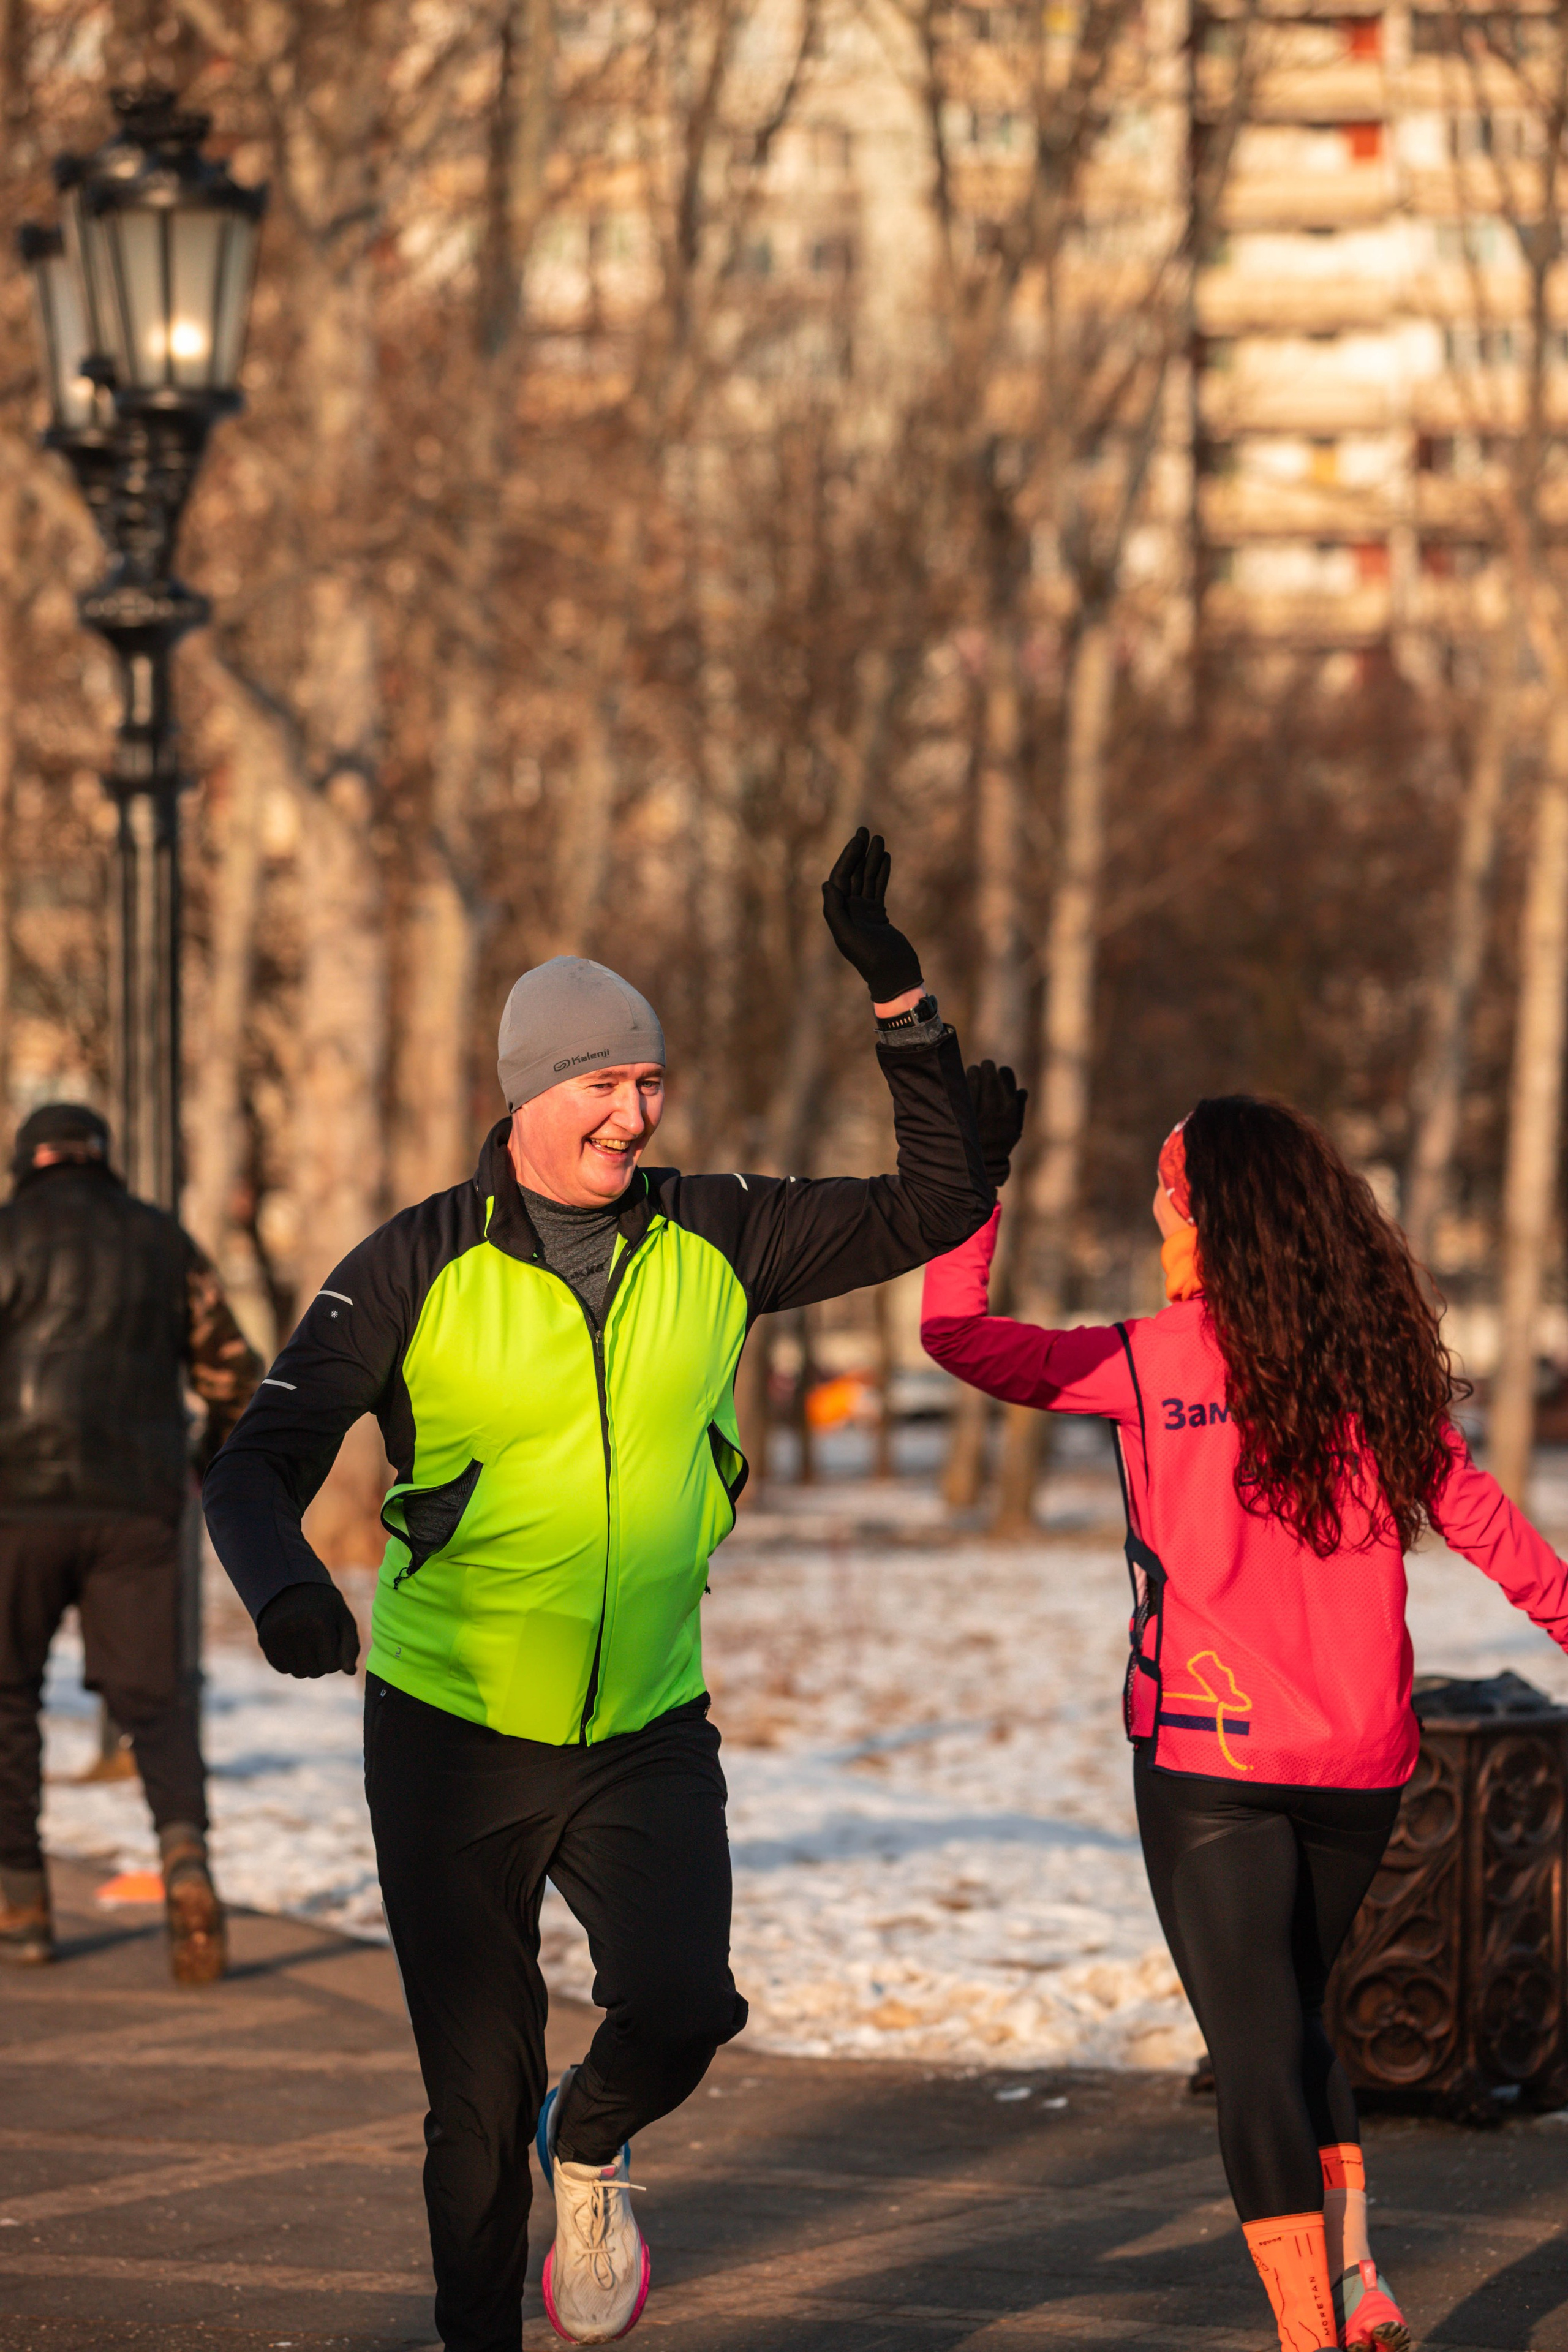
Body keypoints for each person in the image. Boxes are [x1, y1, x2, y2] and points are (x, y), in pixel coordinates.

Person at [204, 829, 992, 2352]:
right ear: (527, 1099)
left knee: (688, 2004)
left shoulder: (716, 1232)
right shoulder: (410, 1266)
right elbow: (256, 1460)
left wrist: (900, 1002)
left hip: (643, 1721)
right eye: (601, 1088)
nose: (632, 1116)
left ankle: (593, 2135)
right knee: (467, 2104)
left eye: (647, 1086)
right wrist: (286, 1588)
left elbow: (936, 1205)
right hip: (449, 1734)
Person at [922, 1082, 1568, 2352]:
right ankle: (1357, 2283)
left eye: (1165, 1193)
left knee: (1254, 2042)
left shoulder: (1137, 1360)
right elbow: (1485, 1524)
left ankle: (1307, 2332)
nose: (1156, 1211)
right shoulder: (1373, 1364)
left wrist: (970, 1190)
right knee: (1295, 2016)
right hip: (1360, 1759)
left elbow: (956, 1334)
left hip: (1207, 1759)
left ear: (1198, 1213)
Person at [0, 1101, 262, 1981]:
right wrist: (203, 1462)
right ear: (103, 1158)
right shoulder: (162, 1242)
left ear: (24, 1161)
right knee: (155, 1702)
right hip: (137, 1509)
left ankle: (23, 1901)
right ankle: (186, 1858)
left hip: (13, 1513)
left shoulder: (3, 1235)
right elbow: (233, 1372)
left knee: (6, 1700)